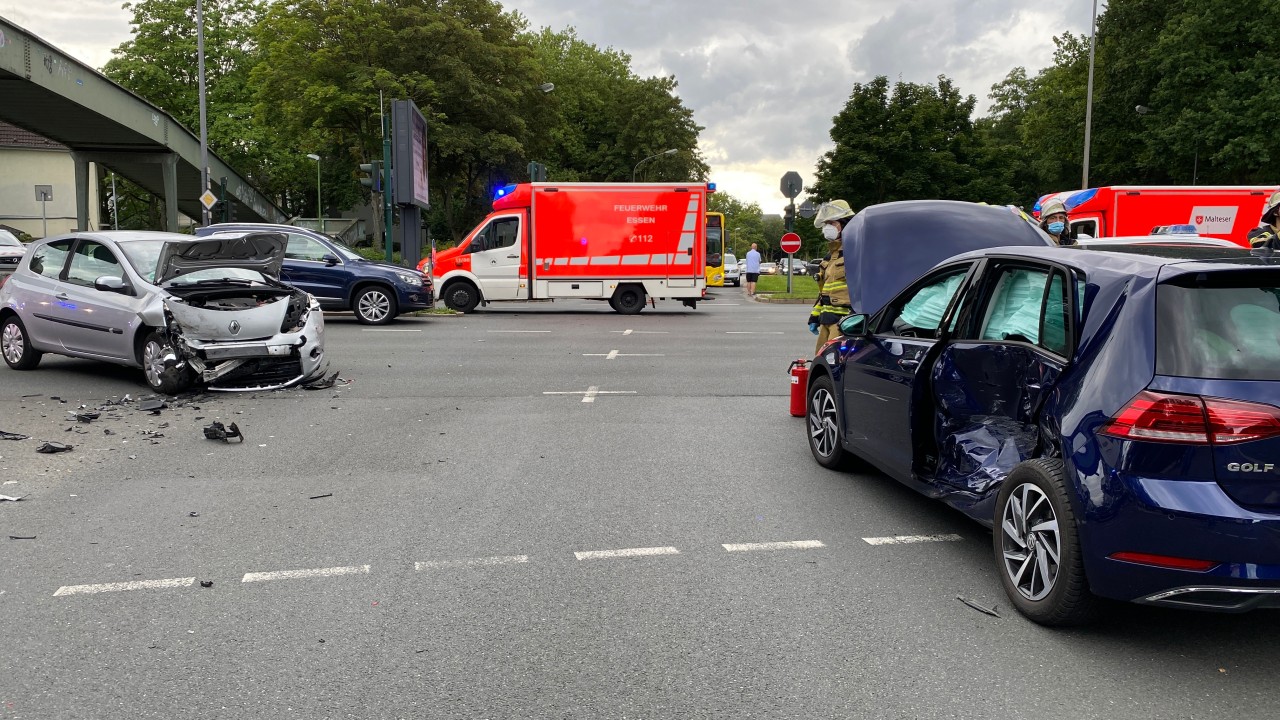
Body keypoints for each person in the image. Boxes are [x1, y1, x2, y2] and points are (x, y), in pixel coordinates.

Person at [808, 200, 856, 353]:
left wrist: (855, 319)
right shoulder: (830, 257)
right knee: (820, 363)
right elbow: (825, 291)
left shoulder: (855, 252)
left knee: (834, 367)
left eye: (831, 223)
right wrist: (815, 316)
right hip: (826, 321)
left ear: (845, 224)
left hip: (844, 323)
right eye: (826, 224)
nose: (827, 228)